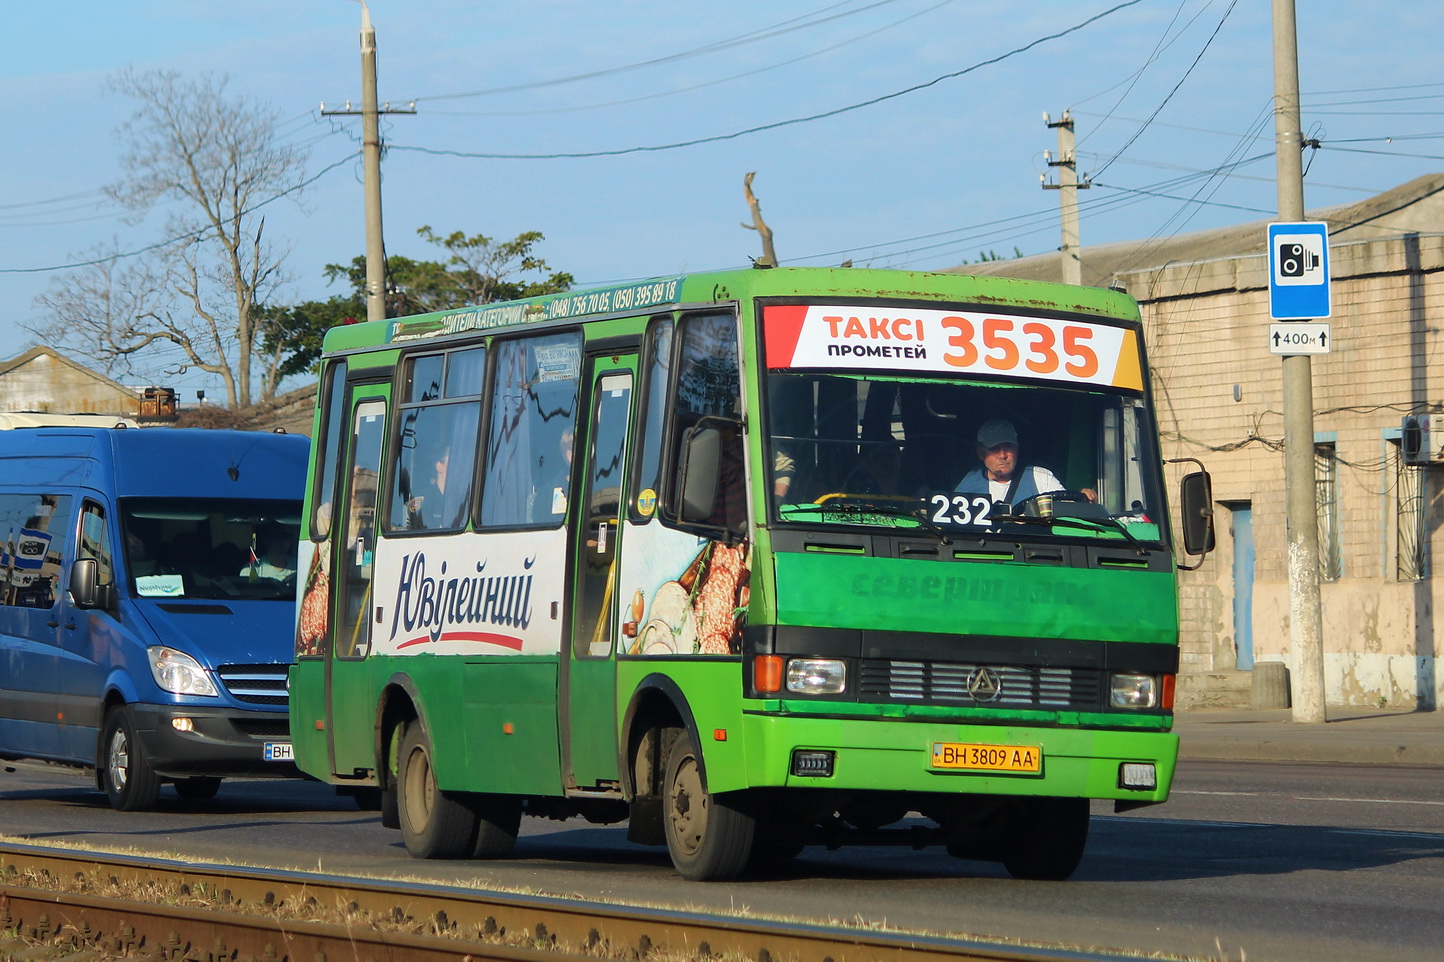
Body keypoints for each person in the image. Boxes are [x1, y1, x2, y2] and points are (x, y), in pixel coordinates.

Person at [956, 419, 1071, 507]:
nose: (1002, 455)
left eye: (1008, 447)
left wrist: (1082, 499)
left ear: (1017, 448)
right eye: (994, 448)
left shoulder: (1040, 477)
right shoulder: (968, 485)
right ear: (981, 453)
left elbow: (1068, 510)